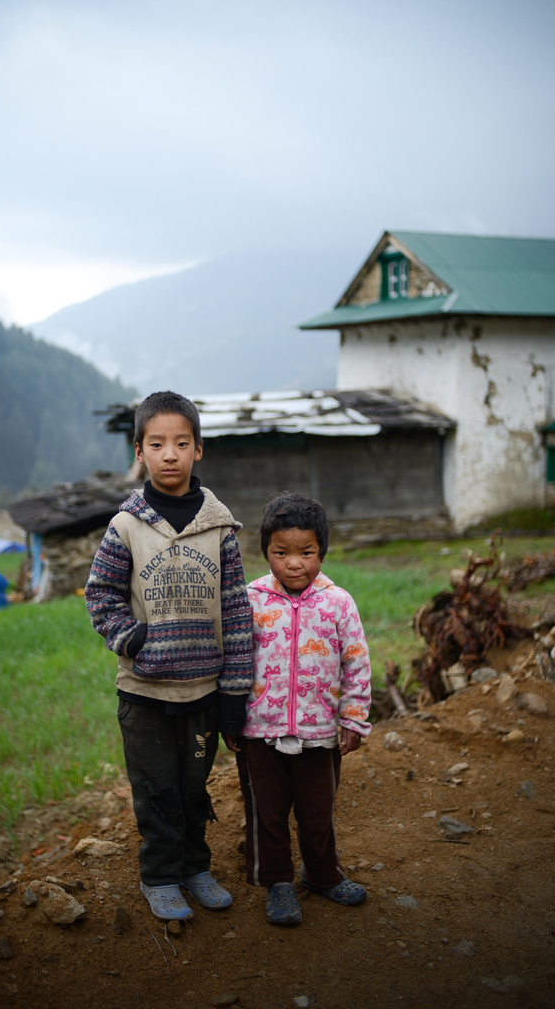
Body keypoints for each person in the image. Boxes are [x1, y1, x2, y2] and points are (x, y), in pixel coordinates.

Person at [86, 391, 253, 921]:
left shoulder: (220, 528)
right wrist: (129, 638)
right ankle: (159, 874)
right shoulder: (126, 526)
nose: (170, 454)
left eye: (182, 443)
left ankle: (194, 867)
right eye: (157, 444)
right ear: (140, 451)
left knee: (193, 786)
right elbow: (101, 595)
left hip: (203, 691)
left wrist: (234, 693)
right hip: (145, 693)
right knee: (157, 789)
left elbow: (236, 611)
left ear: (198, 450)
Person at [230, 492, 371, 926]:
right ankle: (277, 882)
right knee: (267, 813)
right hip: (260, 731)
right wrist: (230, 716)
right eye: (281, 552)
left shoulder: (338, 602)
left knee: (317, 811)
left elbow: (357, 660)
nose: (294, 563)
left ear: (322, 552)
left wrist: (353, 716)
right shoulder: (250, 600)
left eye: (306, 552)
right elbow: (233, 657)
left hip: (319, 731)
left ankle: (322, 875)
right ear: (266, 552)